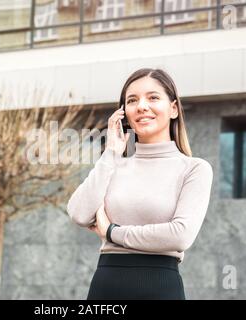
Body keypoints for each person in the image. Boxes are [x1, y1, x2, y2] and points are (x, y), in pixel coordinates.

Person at [66, 68, 214, 300]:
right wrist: (111, 153)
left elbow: (180, 235)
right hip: (106, 286)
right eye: (132, 100)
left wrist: (112, 232)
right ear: (124, 113)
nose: (142, 106)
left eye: (153, 97)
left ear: (173, 109)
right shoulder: (113, 166)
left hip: (161, 287)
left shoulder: (194, 169)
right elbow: (78, 213)